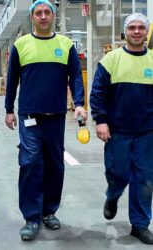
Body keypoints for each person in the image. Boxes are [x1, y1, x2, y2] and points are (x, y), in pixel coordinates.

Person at [5, 0, 87, 241]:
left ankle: (49, 211)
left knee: (54, 164)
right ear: (32, 17)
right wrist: (9, 109)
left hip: (56, 116)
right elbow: (12, 80)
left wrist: (79, 103)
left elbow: (76, 77)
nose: (42, 16)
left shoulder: (65, 45)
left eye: (46, 12)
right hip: (29, 116)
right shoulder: (21, 45)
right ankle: (31, 217)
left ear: (53, 16)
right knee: (30, 163)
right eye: (38, 13)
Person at [90, 13, 153, 244]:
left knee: (145, 180)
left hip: (147, 131)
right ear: (125, 32)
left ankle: (140, 225)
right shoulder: (111, 59)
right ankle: (113, 195)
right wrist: (101, 120)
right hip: (117, 130)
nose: (136, 32)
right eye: (132, 28)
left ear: (146, 32)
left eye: (141, 28)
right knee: (117, 173)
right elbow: (97, 93)